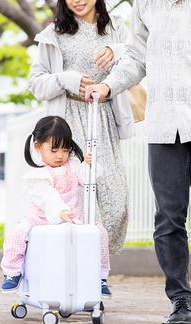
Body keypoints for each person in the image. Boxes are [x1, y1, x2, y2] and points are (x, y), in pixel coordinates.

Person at [85, 0, 191, 324]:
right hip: (163, 124)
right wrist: (108, 86)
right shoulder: (147, 3)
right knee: (167, 218)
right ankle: (180, 301)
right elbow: (135, 56)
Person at [27, 0, 134, 260]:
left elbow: (137, 58)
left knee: (114, 197)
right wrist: (65, 79)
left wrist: (115, 50)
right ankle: (89, 273)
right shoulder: (53, 34)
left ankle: (99, 264)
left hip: (103, 116)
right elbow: (35, 82)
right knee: (76, 195)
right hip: (68, 123)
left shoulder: (115, 28)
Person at [0, 116, 111, 296]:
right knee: (17, 234)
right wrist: (60, 212)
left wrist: (89, 166)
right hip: (42, 219)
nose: (60, 155)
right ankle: (12, 272)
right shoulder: (38, 174)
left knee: (100, 233)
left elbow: (87, 179)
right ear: (38, 146)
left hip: (75, 217)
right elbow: (46, 196)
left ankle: (99, 277)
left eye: (65, 149)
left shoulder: (73, 165)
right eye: (54, 149)